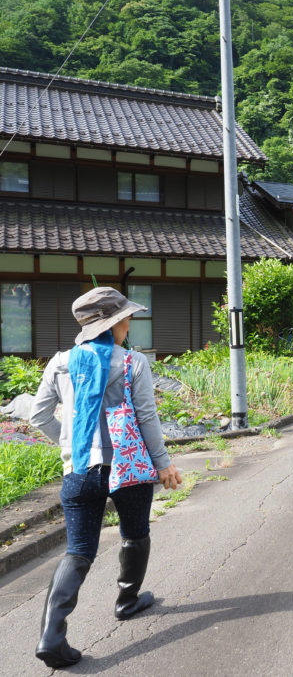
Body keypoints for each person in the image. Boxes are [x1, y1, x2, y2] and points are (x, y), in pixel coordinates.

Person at [29, 286, 183, 669]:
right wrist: (163, 464)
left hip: (79, 471)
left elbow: (38, 417)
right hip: (126, 469)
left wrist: (68, 446)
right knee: (135, 534)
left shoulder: (60, 362)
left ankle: (52, 636)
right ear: (113, 324)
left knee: (79, 551)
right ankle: (127, 600)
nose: (129, 323)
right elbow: (147, 418)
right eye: (125, 318)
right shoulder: (132, 363)